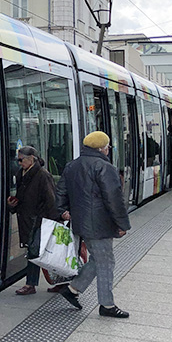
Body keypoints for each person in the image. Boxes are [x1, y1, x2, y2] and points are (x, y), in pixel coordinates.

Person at [56, 131, 131, 318]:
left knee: (97, 259)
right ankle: (107, 305)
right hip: (100, 224)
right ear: (101, 148)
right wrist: (122, 224)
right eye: (107, 147)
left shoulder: (72, 165)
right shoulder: (104, 167)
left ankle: (72, 289)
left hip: (81, 222)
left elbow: (61, 192)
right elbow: (114, 199)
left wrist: (62, 210)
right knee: (106, 261)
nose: (108, 150)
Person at [7, 146, 68, 295]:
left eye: (21, 160)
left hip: (40, 220)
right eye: (18, 160)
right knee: (36, 251)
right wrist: (12, 205)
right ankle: (59, 282)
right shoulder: (21, 174)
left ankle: (31, 284)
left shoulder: (42, 175)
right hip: (28, 219)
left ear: (32, 159)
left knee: (36, 252)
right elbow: (22, 197)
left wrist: (57, 218)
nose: (19, 163)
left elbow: (51, 200)